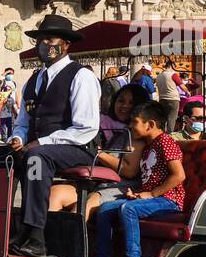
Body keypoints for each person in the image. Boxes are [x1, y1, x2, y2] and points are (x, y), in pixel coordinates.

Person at [0, 14, 102, 257]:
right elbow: (23, 121)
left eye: (50, 39)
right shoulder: (34, 80)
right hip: (37, 146)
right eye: (40, 39)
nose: (44, 44)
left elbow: (86, 127)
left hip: (76, 147)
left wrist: (40, 143)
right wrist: (18, 138)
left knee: (35, 160)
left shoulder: (81, 76)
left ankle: (36, 236)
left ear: (65, 44)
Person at [89, 101, 186, 257]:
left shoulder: (166, 142)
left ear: (150, 125)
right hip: (151, 198)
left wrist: (152, 193)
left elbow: (179, 175)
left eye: (135, 122)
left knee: (128, 209)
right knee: (105, 209)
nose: (130, 126)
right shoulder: (147, 146)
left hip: (168, 200)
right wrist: (137, 194)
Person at [50, 82, 150, 221]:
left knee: (84, 205)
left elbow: (129, 171)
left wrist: (99, 153)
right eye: (121, 100)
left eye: (131, 103)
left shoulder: (136, 137)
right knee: (56, 193)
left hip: (120, 188)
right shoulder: (108, 129)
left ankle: (68, 241)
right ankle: (45, 240)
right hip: (95, 183)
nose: (124, 106)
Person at [155, 61, 181, 134]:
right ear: (171, 66)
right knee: (172, 118)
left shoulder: (159, 75)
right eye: (174, 67)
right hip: (173, 99)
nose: (175, 69)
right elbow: (181, 85)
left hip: (162, 99)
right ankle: (170, 135)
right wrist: (188, 91)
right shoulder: (173, 74)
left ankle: (161, 134)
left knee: (163, 118)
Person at [0, 67, 18, 143]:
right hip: (2, 107)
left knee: (11, 125)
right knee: (2, 125)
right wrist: (5, 73)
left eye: (12, 74)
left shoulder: (13, 83)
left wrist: (17, 104)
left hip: (11, 104)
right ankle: (3, 138)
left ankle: (9, 138)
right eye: (9, 74)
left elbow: (16, 93)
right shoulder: (2, 82)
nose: (11, 75)